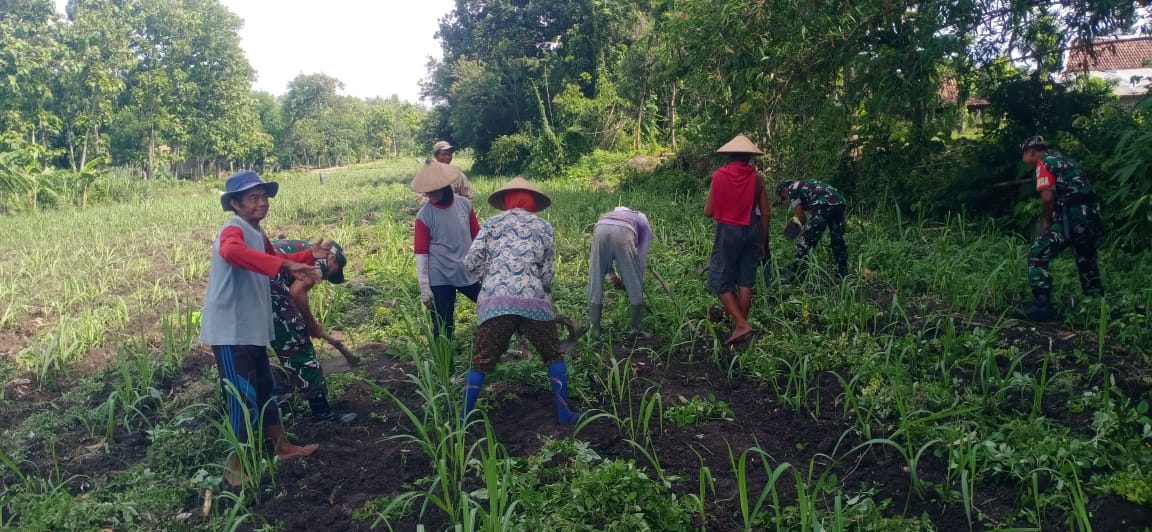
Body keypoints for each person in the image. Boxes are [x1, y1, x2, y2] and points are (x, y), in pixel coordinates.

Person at [199, 171, 326, 486]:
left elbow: (272, 258)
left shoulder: (256, 232)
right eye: (253, 198)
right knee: (241, 397)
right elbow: (231, 252)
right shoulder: (233, 229)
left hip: (252, 328)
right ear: (236, 204)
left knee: (266, 390)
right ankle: (236, 468)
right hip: (231, 332)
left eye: (264, 196)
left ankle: (282, 448)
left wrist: (308, 255)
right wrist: (289, 265)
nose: (262, 203)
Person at [460, 177, 581, 425]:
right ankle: (565, 414)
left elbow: (470, 262)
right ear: (533, 202)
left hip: (495, 302)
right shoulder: (544, 227)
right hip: (532, 301)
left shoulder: (492, 223)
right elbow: (547, 274)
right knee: (553, 355)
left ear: (506, 200)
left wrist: (492, 277)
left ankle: (463, 420)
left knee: (481, 361)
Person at [268, 238, 356, 423]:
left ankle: (267, 401)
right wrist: (311, 325)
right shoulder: (322, 261)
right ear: (333, 258)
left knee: (252, 345)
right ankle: (322, 413)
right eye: (334, 272)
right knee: (297, 344)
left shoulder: (297, 246)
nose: (326, 278)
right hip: (269, 286)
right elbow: (296, 293)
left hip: (246, 282)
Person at [1016, 135, 1104, 321]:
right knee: (1085, 256)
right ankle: (1097, 304)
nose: (1023, 159)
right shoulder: (1065, 160)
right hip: (1093, 215)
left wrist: (1047, 221)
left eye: (1023, 155)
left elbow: (1047, 198)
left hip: (1074, 217)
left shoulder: (1043, 164)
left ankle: (1041, 305)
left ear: (1030, 152)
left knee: (1037, 252)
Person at [705, 134, 771, 346]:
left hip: (729, 231)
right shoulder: (758, 179)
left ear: (730, 155)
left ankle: (741, 324)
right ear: (749, 157)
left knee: (718, 280)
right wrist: (763, 242)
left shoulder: (719, 176)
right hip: (752, 229)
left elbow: (708, 212)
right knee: (745, 281)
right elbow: (766, 213)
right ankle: (741, 327)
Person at [411, 161, 483, 339]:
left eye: (434, 189)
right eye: (427, 191)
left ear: (444, 186)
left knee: (490, 303)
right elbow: (421, 253)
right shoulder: (424, 215)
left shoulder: (464, 205)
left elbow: (478, 237)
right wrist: (424, 287)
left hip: (466, 269)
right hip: (440, 274)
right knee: (443, 325)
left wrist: (485, 266)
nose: (430, 194)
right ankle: (444, 354)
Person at [588, 206, 653, 339]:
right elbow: (640, 259)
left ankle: (594, 331)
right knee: (634, 281)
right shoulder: (642, 221)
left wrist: (613, 276)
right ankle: (636, 330)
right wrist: (635, 282)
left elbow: (604, 261)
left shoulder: (606, 215)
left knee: (595, 278)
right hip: (625, 232)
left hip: (600, 229)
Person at [776, 179, 848, 282]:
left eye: (784, 197)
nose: (786, 198)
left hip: (822, 204)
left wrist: (804, 230)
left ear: (783, 190)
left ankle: (796, 275)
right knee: (837, 238)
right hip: (839, 202)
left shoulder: (792, 190)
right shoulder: (806, 184)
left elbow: (801, 215)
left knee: (806, 241)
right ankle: (843, 272)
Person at [416, 141, 474, 207]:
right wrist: (435, 204)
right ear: (436, 156)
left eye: (450, 154)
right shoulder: (428, 174)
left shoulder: (457, 174)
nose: (447, 157)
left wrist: (461, 207)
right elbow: (419, 197)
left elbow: (468, 196)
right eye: (444, 154)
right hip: (433, 210)